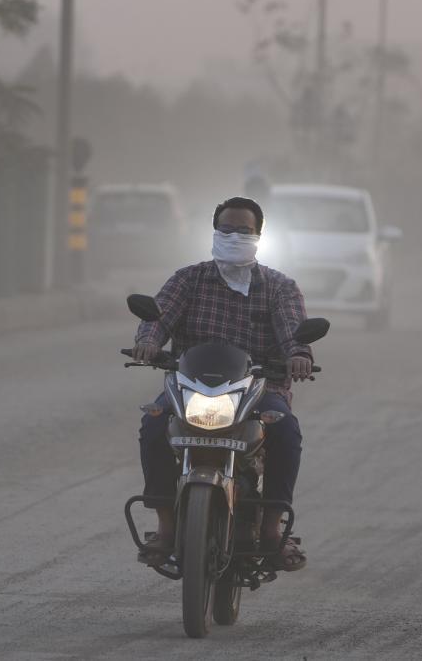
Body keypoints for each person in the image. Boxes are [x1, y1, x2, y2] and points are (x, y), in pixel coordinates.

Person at [132, 196, 313, 571]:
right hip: (189, 388)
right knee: (153, 424)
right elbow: (157, 317)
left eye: (243, 231)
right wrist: (148, 342)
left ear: (259, 236)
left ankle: (271, 529)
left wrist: (298, 355)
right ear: (214, 233)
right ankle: (165, 527)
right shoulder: (188, 279)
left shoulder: (279, 288)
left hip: (259, 391)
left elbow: (294, 333)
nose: (234, 236)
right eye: (226, 230)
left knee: (286, 432)